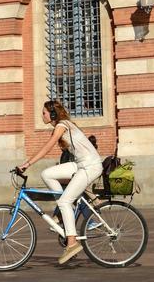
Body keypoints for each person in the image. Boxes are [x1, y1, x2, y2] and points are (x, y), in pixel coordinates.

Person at [20, 100, 103, 266]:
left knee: (65, 201)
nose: (41, 115)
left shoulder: (62, 125)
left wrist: (26, 164)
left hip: (90, 166)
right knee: (47, 174)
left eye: (43, 113)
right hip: (80, 164)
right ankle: (67, 210)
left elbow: (46, 148)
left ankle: (71, 243)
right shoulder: (62, 126)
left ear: (52, 114)